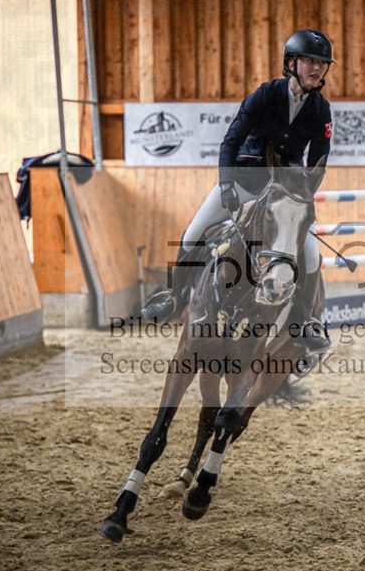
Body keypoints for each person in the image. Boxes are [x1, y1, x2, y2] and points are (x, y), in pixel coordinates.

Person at [142, 29, 335, 353]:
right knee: (193, 233)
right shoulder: (265, 95)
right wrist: (227, 184)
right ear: (291, 63)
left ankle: (303, 320)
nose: (317, 68)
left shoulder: (321, 109)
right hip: (244, 183)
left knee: (312, 255)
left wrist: (302, 194)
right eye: (310, 61)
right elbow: (230, 142)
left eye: (322, 63)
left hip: (285, 196)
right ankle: (175, 297)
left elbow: (318, 160)